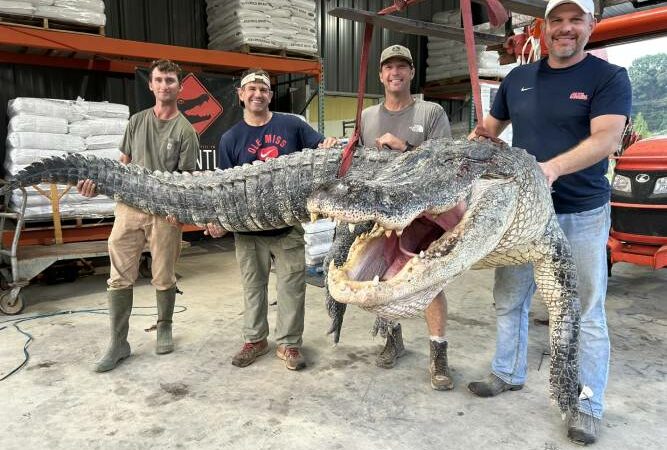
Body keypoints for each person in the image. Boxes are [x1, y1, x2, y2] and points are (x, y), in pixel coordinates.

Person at [467, 0, 631, 444]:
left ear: (591, 25)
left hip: (581, 211)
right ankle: (507, 372)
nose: (565, 29)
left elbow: (607, 138)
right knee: (509, 296)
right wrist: (468, 148)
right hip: (524, 212)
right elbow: (489, 130)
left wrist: (552, 168)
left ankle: (587, 404)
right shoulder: (518, 79)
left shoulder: (608, 78)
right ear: (543, 27)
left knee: (584, 311)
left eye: (575, 20)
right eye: (556, 20)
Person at [208, 68, 337, 371]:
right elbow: (223, 188)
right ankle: (255, 340)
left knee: (292, 287)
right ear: (241, 95)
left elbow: (321, 147)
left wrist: (328, 144)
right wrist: (217, 219)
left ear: (270, 95)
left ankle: (289, 344)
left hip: (286, 226)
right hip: (248, 231)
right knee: (253, 287)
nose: (257, 94)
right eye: (251, 88)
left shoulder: (292, 125)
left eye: (263, 89)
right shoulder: (230, 138)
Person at [78, 59, 199, 372]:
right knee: (119, 275)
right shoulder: (136, 121)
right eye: (159, 79)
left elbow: (186, 180)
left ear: (180, 86)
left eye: (170, 80)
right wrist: (96, 185)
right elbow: (122, 163)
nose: (164, 86)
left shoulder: (186, 131)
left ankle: (165, 326)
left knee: (163, 275)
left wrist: (177, 212)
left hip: (164, 213)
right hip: (129, 209)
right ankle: (118, 342)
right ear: (151, 84)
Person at [359, 44, 454, 391]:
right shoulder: (368, 117)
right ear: (381, 75)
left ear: (412, 73)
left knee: (430, 283)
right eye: (389, 67)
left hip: (424, 216)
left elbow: (447, 164)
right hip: (383, 213)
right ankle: (392, 339)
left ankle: (438, 354)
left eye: (402, 67)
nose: (395, 73)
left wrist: (408, 150)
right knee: (383, 278)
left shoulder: (431, 113)